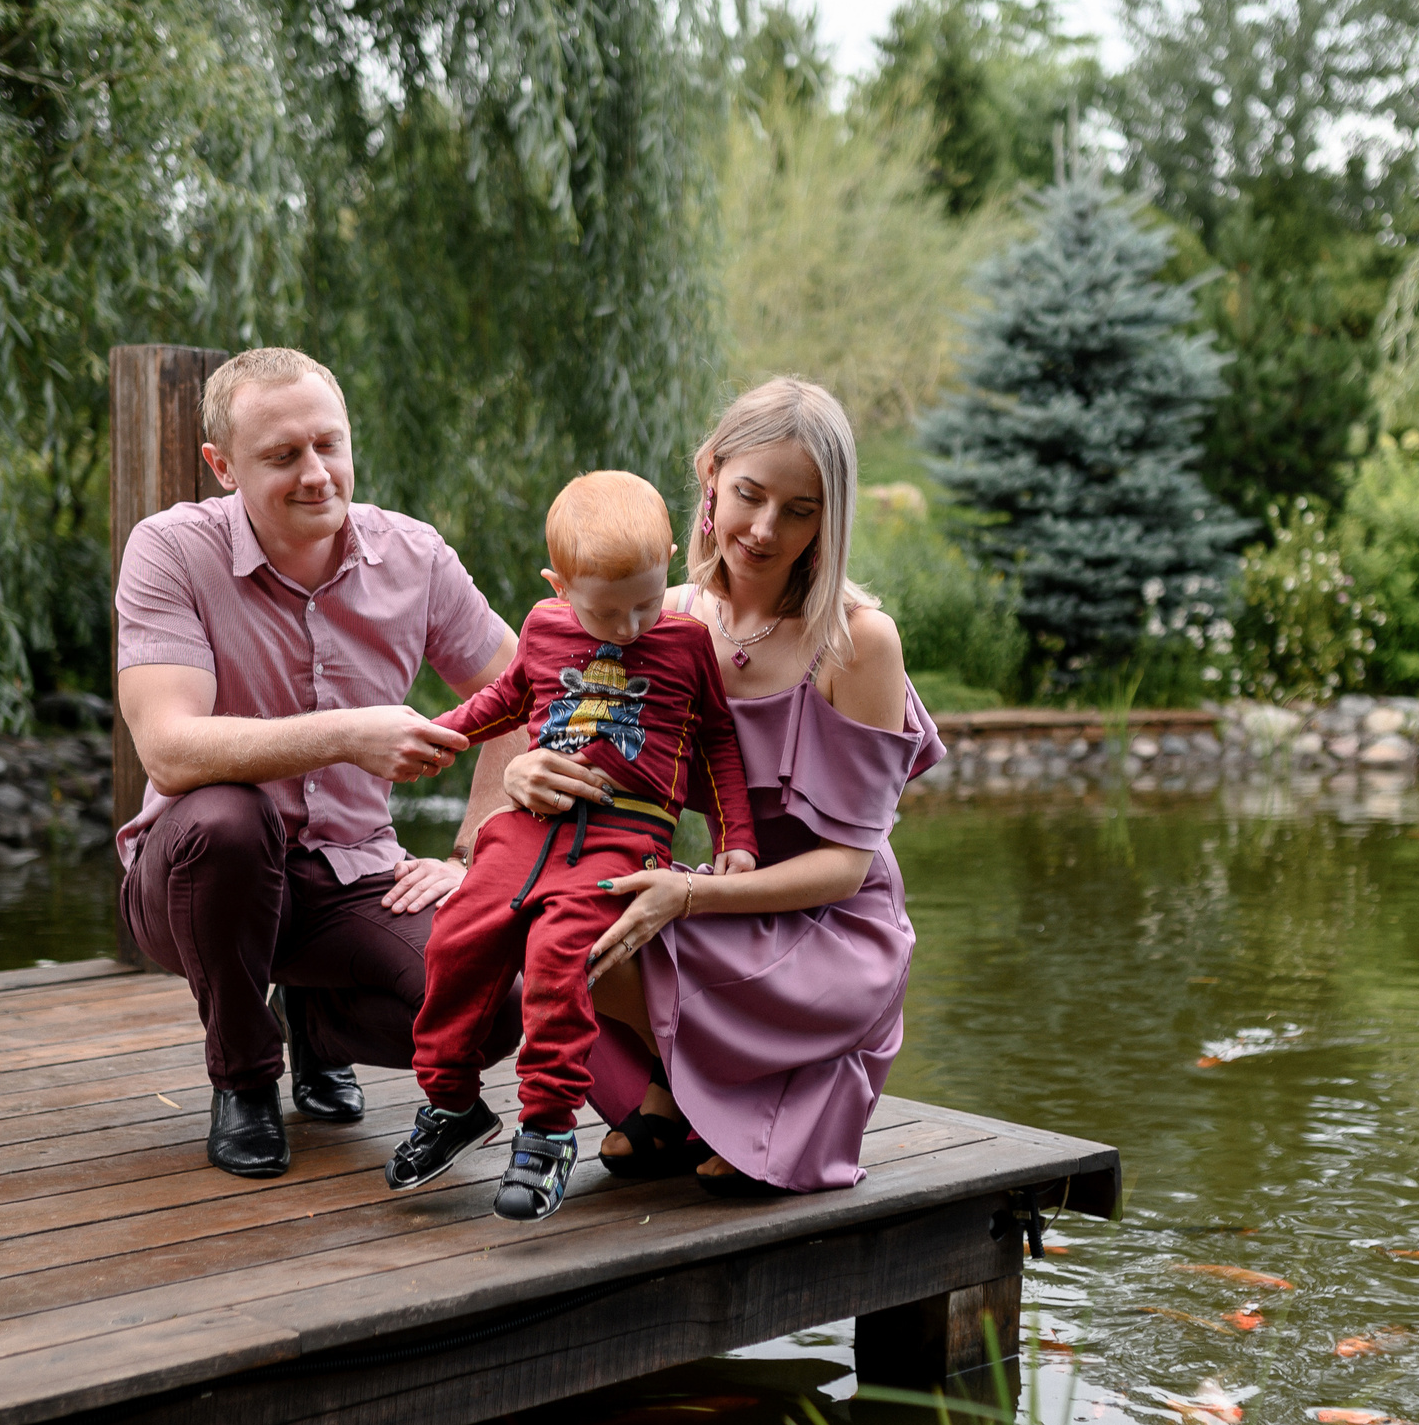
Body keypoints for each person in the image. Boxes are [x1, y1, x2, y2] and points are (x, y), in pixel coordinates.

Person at [497, 379, 943, 1196]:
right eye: (749, 494)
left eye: (801, 509)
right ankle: (677, 1095)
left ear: (829, 519)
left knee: (626, 930)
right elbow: (577, 747)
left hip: (835, 930)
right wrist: (521, 770)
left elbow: (846, 866)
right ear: (710, 475)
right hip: (716, 891)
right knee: (551, 938)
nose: (767, 529)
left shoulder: (859, 644)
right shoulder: (658, 618)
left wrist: (687, 897)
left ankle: (715, 1103)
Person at [113, 347, 524, 1180]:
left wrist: (472, 855)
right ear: (221, 466)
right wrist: (344, 732)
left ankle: (314, 1025)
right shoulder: (169, 551)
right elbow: (168, 745)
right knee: (226, 818)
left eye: (328, 445)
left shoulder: (414, 556)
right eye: (281, 456)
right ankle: (245, 1075)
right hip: (197, 877)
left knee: (496, 1009)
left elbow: (523, 690)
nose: (316, 475)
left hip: (352, 873)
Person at [388, 472, 759, 1222]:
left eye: (646, 602)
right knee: (456, 940)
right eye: (606, 609)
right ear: (560, 585)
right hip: (527, 825)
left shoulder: (687, 645)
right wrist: (447, 733)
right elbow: (509, 698)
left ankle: (548, 1129)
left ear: (669, 568)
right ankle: (451, 1101)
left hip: (623, 831)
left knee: (559, 957)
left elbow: (718, 743)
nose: (627, 625)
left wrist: (737, 838)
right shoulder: (543, 624)